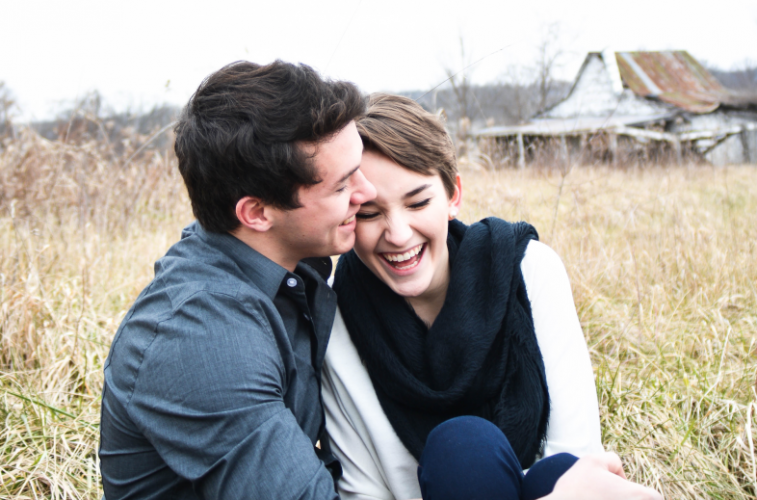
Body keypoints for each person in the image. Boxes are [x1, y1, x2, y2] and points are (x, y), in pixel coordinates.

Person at [321, 94, 663, 500]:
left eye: (418, 202)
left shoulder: (529, 269)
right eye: (369, 214)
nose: (397, 234)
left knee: (551, 471)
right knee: (463, 452)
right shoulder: (337, 316)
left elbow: (577, 461)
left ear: (453, 196)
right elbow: (364, 492)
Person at [98, 60, 376, 499]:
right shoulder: (200, 335)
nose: (368, 192)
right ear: (257, 213)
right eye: (342, 187)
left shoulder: (281, 269)